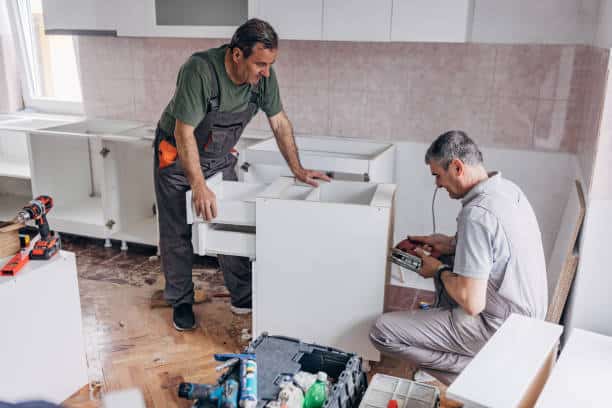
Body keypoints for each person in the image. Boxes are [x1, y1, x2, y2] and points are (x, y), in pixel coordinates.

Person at [154, 19, 330, 331]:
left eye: (270, 64)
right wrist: (198, 185)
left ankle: (242, 295)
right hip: (178, 158)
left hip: (218, 159)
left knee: (231, 222)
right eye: (260, 63)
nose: (266, 71)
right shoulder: (201, 71)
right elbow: (184, 132)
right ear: (237, 55)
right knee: (177, 233)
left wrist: (297, 169)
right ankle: (181, 300)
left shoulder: (264, 77)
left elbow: (279, 122)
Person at [370, 130, 548, 384]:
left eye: (437, 176)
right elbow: (493, 247)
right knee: (452, 261)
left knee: (381, 332)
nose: (437, 185)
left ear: (456, 167)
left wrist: (437, 270)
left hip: (501, 329)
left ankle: (479, 377)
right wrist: (447, 243)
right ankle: (474, 357)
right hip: (527, 319)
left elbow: (472, 303)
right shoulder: (508, 191)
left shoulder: (477, 215)